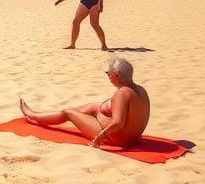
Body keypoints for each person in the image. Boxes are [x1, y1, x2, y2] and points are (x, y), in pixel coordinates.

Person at [19, 58, 150, 149]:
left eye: (108, 73)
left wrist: (101, 136)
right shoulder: (141, 90)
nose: (108, 76)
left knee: (68, 113)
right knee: (94, 107)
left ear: (115, 76)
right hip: (133, 138)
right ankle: (51, 115)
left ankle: (33, 115)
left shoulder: (122, 93)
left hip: (116, 139)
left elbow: (118, 123)